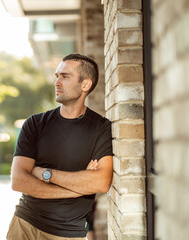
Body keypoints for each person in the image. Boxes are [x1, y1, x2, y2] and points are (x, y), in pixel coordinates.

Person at [6, 53, 113, 240]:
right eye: (57, 76)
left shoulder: (100, 128)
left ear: (85, 85)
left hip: (67, 234)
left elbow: (101, 182)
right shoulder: (35, 124)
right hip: (24, 226)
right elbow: (18, 180)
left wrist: (45, 174)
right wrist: (77, 188)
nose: (57, 82)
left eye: (65, 76)